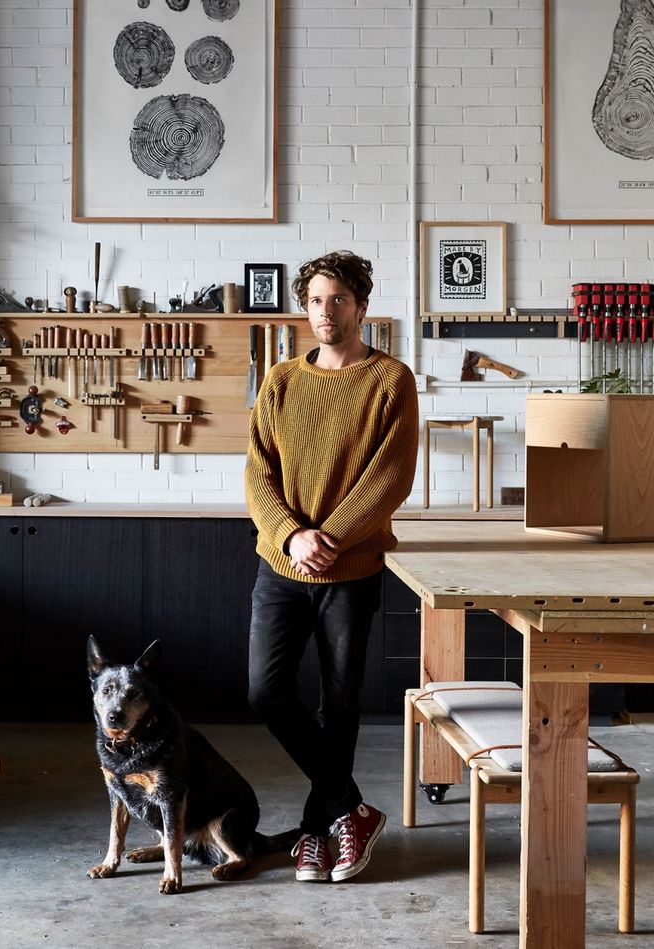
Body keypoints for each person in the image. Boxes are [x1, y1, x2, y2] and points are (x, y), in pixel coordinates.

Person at [245, 250, 419, 883]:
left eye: (338, 300)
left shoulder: (390, 380)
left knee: (339, 705)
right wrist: (292, 536)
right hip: (281, 565)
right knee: (266, 690)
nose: (325, 312)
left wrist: (333, 537)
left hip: (350, 570)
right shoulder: (282, 380)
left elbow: (392, 474)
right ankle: (350, 809)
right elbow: (257, 470)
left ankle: (319, 834)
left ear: (362, 307)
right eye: (315, 300)